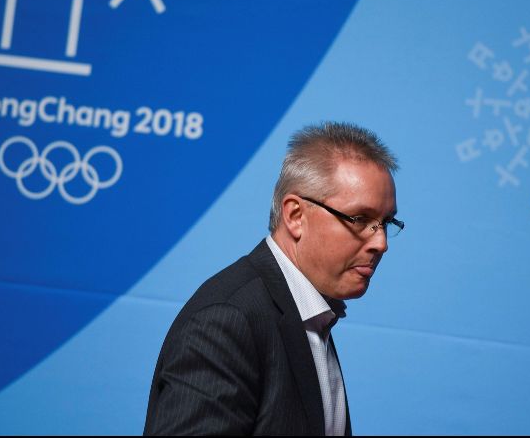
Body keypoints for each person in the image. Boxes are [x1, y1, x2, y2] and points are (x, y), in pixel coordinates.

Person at [143, 121, 403, 436]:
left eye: (386, 222)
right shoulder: (226, 322)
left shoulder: (312, 312)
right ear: (295, 216)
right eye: (360, 219)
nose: (381, 243)